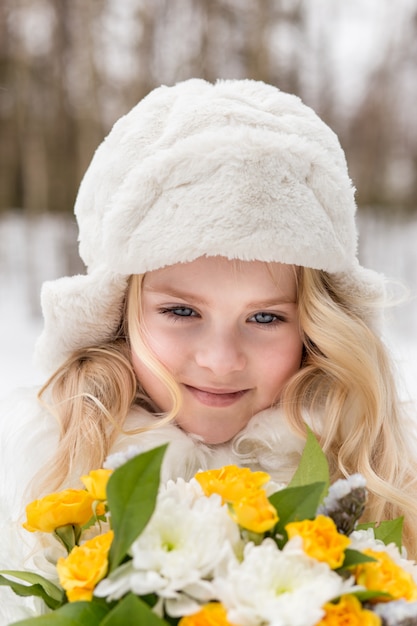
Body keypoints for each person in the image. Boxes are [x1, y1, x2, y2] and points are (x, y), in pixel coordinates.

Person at [1, 78, 416, 622]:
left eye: (265, 318)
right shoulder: (47, 480)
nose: (221, 360)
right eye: (181, 312)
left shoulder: (378, 474)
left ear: (315, 329)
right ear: (120, 317)